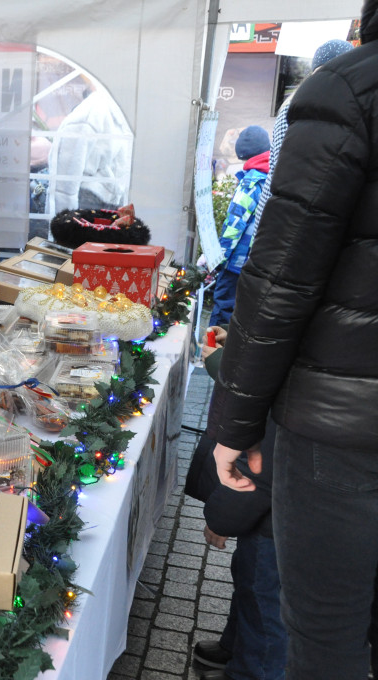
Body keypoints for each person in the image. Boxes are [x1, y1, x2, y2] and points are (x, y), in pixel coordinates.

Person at [212, 3, 378, 678]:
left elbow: (280, 280)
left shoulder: (350, 89)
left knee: (325, 640)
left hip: (342, 429)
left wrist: (235, 424)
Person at [186, 326, 285, 680]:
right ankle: (236, 647)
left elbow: (261, 465)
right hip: (270, 514)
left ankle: (250, 671)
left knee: (265, 602)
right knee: (248, 582)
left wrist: (223, 515)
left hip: (275, 521)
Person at [253, 39, 353, 227]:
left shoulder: (296, 103)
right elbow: (284, 170)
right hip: (289, 215)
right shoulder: (297, 107)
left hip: (286, 211)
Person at [209, 125, 270, 326]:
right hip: (257, 261)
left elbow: (236, 222)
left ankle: (213, 354)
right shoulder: (272, 176)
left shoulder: (251, 181)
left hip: (236, 262)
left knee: (223, 307)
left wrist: (219, 256)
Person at [51, 87, 131, 213]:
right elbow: (69, 165)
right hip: (90, 196)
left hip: (105, 197)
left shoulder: (114, 109)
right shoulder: (96, 109)